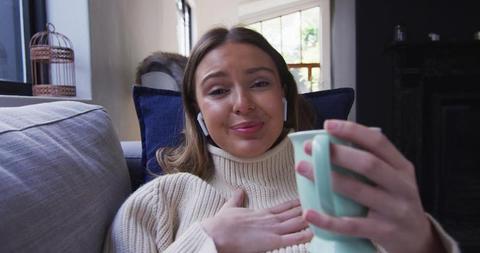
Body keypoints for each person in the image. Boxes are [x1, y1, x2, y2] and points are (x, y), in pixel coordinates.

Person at [104, 27, 459, 253]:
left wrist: (426, 245)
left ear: (285, 95)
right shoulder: (157, 202)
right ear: (197, 109)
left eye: (260, 83)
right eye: (218, 90)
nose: (242, 104)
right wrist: (209, 240)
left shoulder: (347, 191)